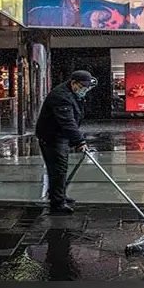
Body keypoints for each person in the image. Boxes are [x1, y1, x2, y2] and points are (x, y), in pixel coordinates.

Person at [35, 69, 97, 214]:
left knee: (60, 168)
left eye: (87, 87)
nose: (85, 90)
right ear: (73, 82)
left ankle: (58, 195)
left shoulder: (73, 93)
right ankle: (57, 203)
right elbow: (67, 122)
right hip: (52, 137)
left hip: (60, 135)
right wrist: (80, 141)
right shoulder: (61, 96)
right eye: (82, 87)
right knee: (58, 169)